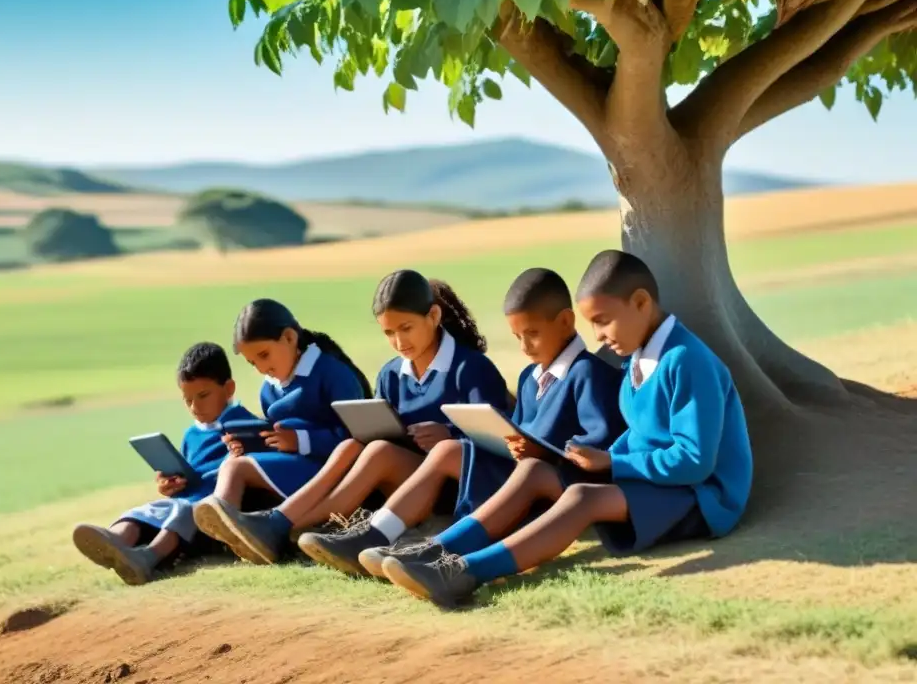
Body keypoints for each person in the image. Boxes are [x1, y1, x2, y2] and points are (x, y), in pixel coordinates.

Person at [379, 251, 754, 608]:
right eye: (593, 324)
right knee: (534, 470)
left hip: (700, 496)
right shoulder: (638, 358)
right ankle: (435, 551)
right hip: (653, 477)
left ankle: (463, 573)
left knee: (582, 499)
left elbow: (695, 462)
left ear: (641, 303)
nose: (599, 336)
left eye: (603, 321)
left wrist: (611, 462)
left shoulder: (686, 360)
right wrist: (588, 459)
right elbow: (640, 434)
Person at [300, 267, 626, 578]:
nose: (524, 347)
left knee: (449, 451)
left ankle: (424, 549)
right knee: (392, 450)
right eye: (517, 337)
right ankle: (363, 534)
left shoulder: (587, 373)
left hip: (556, 482)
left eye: (532, 335)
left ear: (567, 322)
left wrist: (541, 452)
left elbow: (597, 447)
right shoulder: (530, 377)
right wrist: (516, 442)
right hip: (518, 474)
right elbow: (516, 431)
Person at [196, 269, 511, 568]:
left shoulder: (471, 368)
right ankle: (284, 524)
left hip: (461, 483)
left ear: (433, 316)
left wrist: (449, 434)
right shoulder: (391, 373)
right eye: (389, 332)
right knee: (357, 446)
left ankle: (291, 526)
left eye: (406, 328)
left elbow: (500, 443)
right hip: (406, 481)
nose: (399, 342)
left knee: (379, 451)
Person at [193, 299, 371, 557]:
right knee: (234, 462)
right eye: (253, 363)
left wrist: (300, 441)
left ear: (289, 337)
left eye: (264, 355)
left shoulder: (332, 373)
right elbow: (278, 435)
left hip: (333, 472)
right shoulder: (269, 389)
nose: (262, 368)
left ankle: (232, 531)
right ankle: (233, 537)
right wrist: (251, 442)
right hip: (293, 467)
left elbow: (356, 437)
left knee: (236, 468)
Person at [71, 342, 258, 585]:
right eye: (187, 399)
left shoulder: (244, 425)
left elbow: (250, 469)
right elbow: (190, 473)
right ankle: (115, 541)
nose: (194, 407)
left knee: (182, 511)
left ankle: (148, 558)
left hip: (210, 517)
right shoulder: (192, 434)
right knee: (151, 509)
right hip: (185, 504)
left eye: (203, 396)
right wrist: (171, 483)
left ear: (229, 389)